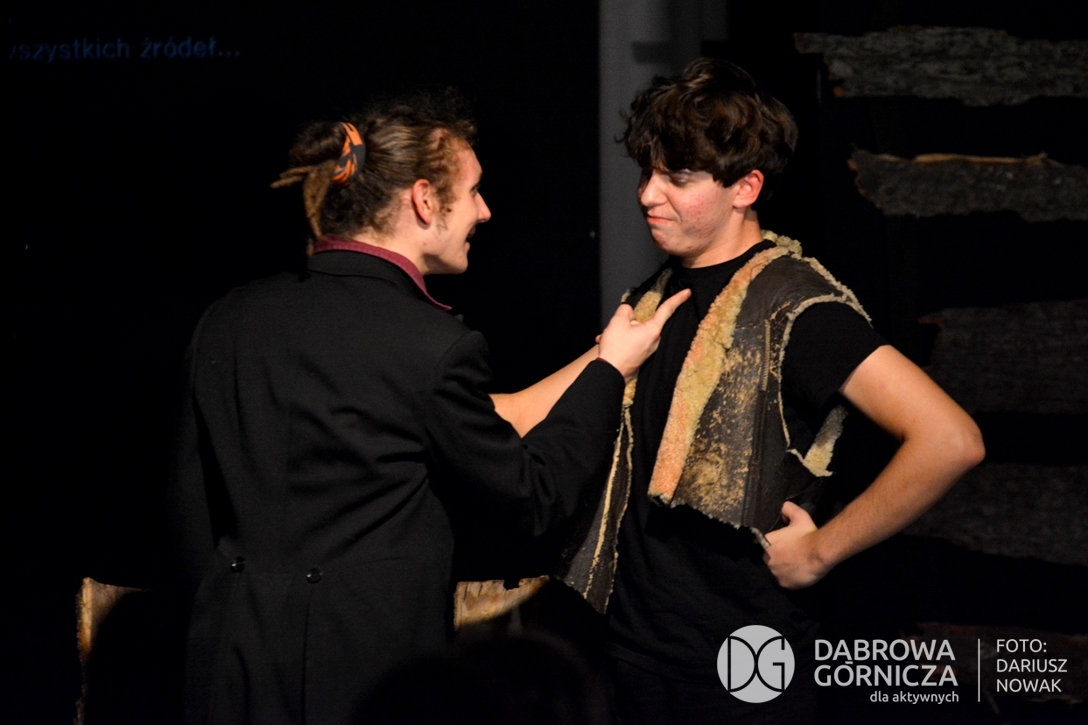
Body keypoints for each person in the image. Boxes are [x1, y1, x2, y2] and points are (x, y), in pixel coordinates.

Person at [168, 90, 688, 725]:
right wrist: (610, 374)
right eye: (473, 191)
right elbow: (532, 497)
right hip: (367, 674)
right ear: (423, 200)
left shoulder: (229, 319)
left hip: (227, 663)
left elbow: (191, 511)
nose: (485, 211)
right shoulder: (432, 346)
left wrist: (604, 356)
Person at [500, 60, 985, 724]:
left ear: (746, 187)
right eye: (646, 173)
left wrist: (820, 551)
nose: (648, 195)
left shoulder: (799, 309)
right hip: (633, 651)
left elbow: (951, 439)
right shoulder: (656, 297)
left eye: (677, 177)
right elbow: (530, 410)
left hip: (741, 662)